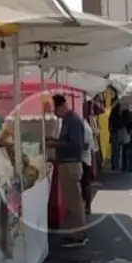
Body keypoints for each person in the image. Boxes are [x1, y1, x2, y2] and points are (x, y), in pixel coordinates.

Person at [49, 94, 88, 247]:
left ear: (62, 106)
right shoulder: (68, 120)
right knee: (72, 201)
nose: (54, 113)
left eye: (55, 109)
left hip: (71, 165)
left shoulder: (72, 120)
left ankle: (78, 236)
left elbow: (76, 144)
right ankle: (76, 233)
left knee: (74, 202)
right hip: (68, 164)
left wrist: (56, 145)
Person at [116, 105, 132, 173]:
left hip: (124, 139)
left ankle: (124, 166)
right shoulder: (130, 122)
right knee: (131, 153)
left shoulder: (122, 122)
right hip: (130, 139)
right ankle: (131, 166)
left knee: (124, 153)